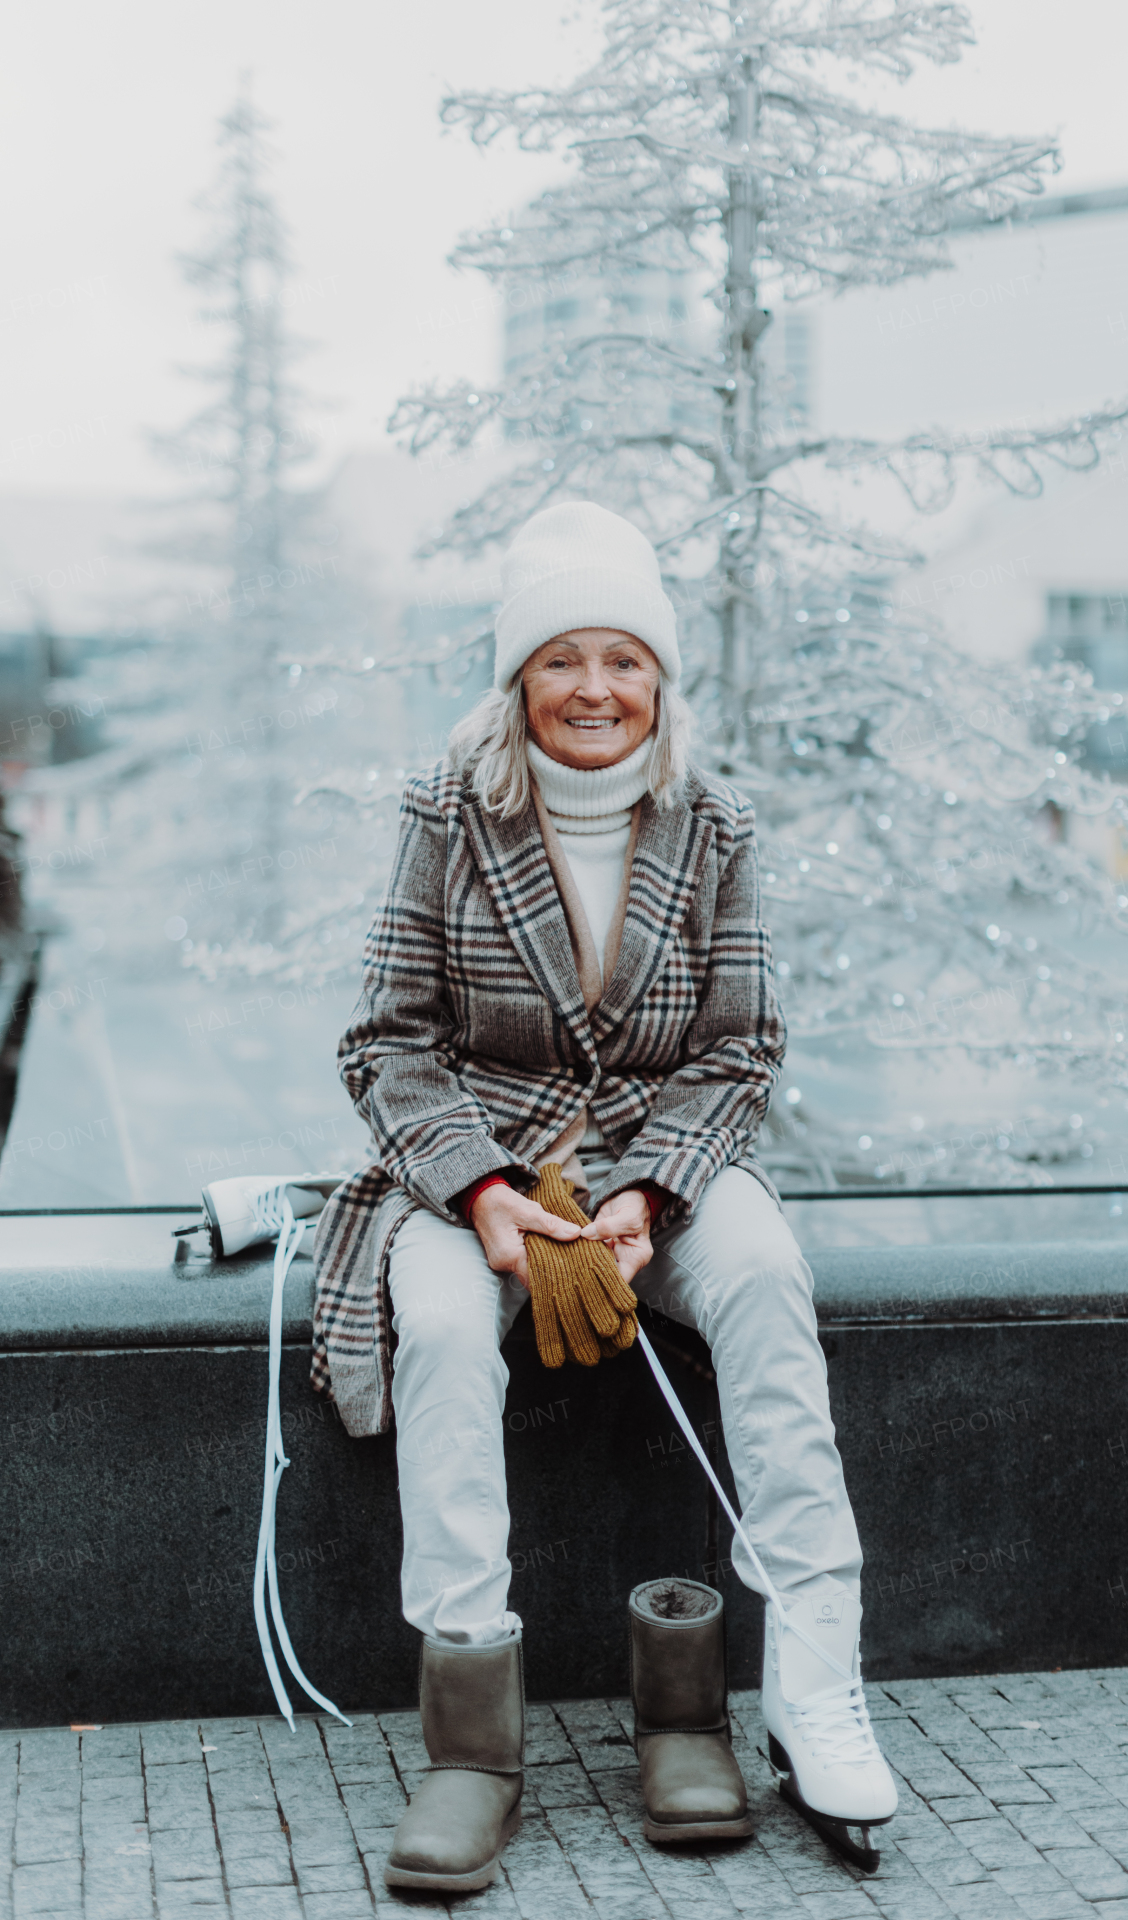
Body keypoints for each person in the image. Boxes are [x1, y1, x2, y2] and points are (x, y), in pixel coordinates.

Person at [313, 500, 897, 1894]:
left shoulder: (716, 824)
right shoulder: (446, 812)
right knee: (448, 1338)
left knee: (765, 1284)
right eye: (560, 658)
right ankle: (471, 1743)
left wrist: (647, 1200)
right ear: (517, 679)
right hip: (479, 1169)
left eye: (622, 659)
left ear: (660, 677)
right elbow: (387, 1041)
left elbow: (740, 1048)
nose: (594, 689)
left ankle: (816, 1689)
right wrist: (489, 1193)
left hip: (663, 1157)